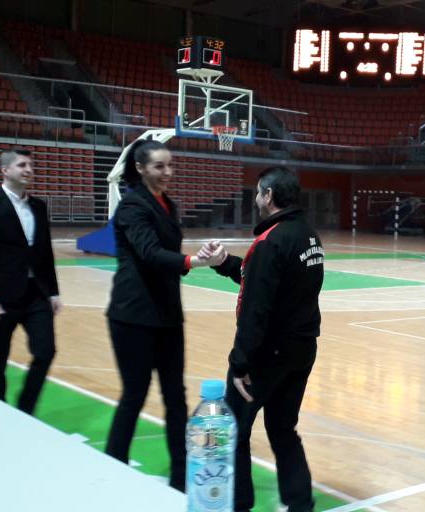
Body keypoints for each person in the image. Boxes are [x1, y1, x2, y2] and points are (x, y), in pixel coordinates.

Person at [201, 167, 324, 512]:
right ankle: (300, 504)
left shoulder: (270, 241)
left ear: (268, 195)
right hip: (302, 348)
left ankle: (240, 504)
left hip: (267, 354)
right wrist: (224, 262)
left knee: (235, 430)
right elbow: (268, 280)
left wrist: (240, 363)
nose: (256, 199)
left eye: (258, 193)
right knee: (283, 429)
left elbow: (256, 308)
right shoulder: (308, 235)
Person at [104, 139, 221, 492]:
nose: (167, 172)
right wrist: (193, 261)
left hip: (168, 315)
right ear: (140, 168)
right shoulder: (132, 205)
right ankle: (112, 466)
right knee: (135, 395)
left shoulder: (168, 204)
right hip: (133, 315)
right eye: (159, 166)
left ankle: (181, 478)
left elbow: (167, 253)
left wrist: (198, 254)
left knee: (175, 398)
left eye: (170, 165)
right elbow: (149, 253)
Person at [0, 148, 61, 415]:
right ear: (5, 170)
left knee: (45, 351)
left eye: (31, 165)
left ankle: (25, 409)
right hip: (0, 296)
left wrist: (53, 291)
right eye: (22, 165)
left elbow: (45, 252)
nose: (28, 169)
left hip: (36, 293)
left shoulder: (38, 206)